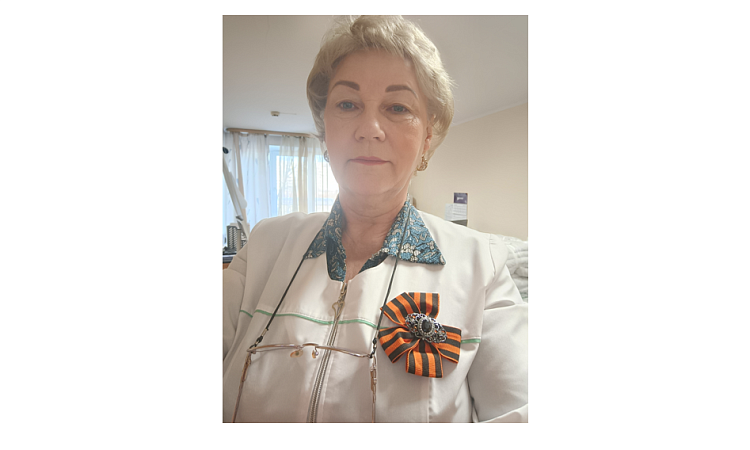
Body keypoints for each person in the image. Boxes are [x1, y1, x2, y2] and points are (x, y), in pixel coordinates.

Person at [223, 15, 528, 423]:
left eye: (398, 107)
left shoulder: (481, 265)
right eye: (347, 104)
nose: (369, 129)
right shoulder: (263, 246)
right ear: (324, 129)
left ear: (427, 136)